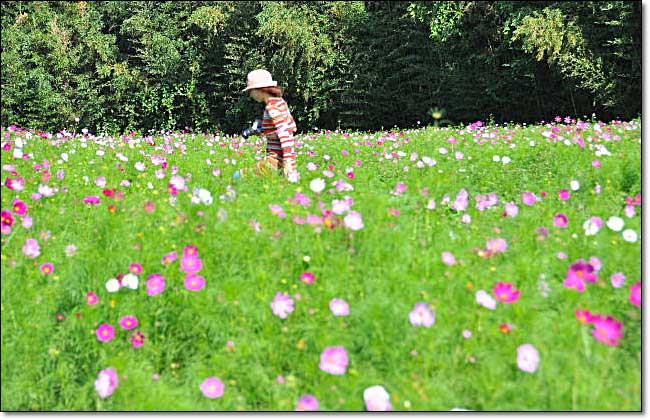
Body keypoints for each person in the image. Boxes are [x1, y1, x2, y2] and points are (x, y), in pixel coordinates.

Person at [234, 69, 298, 179]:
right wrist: (259, 131)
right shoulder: (279, 102)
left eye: (251, 91)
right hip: (284, 160)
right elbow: (278, 129)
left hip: (276, 161)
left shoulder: (272, 107)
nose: (251, 95)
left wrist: (287, 161)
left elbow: (284, 133)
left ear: (260, 89)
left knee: (238, 176)